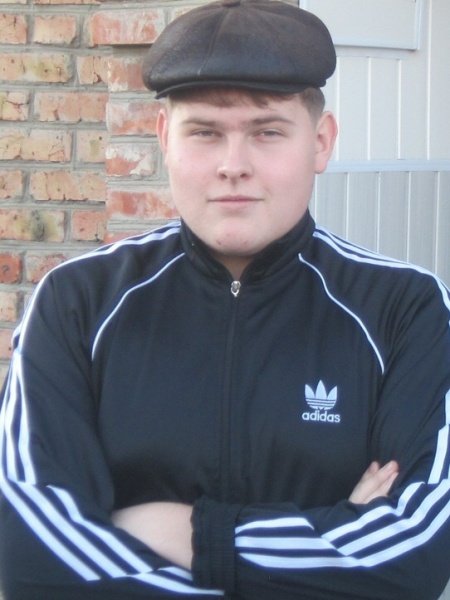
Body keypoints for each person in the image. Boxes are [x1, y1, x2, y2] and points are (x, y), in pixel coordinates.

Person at [0, 0, 449, 598]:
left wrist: (188, 533)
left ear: (320, 142)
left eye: (267, 131)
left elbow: (414, 555)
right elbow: (33, 558)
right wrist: (330, 540)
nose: (233, 166)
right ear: (165, 138)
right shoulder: (76, 303)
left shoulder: (406, 309)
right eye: (205, 132)